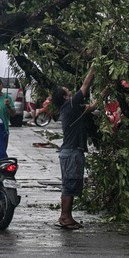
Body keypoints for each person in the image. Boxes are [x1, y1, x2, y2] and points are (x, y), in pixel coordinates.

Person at [50, 63, 97, 230]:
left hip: (70, 152)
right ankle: (64, 217)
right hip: (71, 152)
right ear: (64, 97)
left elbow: (92, 107)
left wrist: (107, 90)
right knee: (69, 186)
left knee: (70, 184)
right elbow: (85, 85)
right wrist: (93, 66)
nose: (69, 91)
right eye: (67, 90)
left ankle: (67, 217)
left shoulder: (72, 109)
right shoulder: (70, 105)